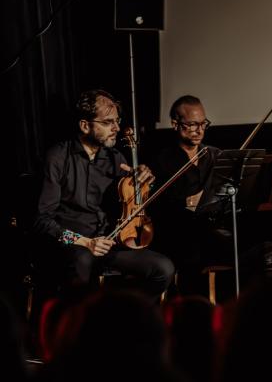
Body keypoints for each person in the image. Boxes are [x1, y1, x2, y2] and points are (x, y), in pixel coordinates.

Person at [33, 90, 174, 299]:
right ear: (85, 126)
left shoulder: (116, 158)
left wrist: (143, 184)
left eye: (117, 121)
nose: (116, 128)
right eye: (108, 122)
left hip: (108, 244)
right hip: (72, 245)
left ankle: (122, 313)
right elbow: (42, 221)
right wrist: (85, 242)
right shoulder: (58, 157)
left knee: (163, 268)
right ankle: (80, 319)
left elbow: (130, 204)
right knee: (82, 261)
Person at [148, 95, 272, 295]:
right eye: (192, 124)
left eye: (203, 124)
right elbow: (156, 208)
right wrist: (185, 202)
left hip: (221, 236)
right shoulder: (161, 161)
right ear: (175, 124)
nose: (199, 130)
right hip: (185, 240)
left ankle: (253, 304)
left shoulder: (216, 156)